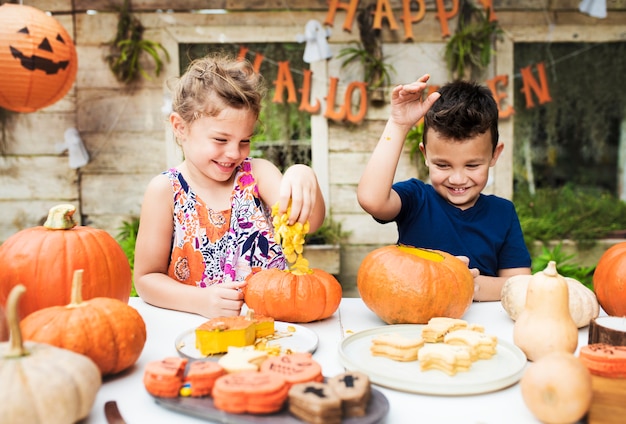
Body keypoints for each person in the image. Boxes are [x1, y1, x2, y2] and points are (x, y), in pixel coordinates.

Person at [134, 54, 325, 318]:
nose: (235, 153)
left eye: (244, 141)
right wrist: (200, 301)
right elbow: (146, 279)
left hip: (270, 328)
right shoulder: (165, 191)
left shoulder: (257, 174)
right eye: (221, 139)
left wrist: (304, 176)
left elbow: (310, 223)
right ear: (180, 127)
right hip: (194, 331)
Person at [357, 75, 531, 301]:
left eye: (472, 165)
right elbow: (371, 200)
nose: (458, 179)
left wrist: (471, 285)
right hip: (413, 320)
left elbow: (521, 284)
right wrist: (398, 125)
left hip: (479, 329)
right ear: (425, 155)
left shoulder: (503, 213)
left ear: (494, 155)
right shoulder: (416, 199)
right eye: (442, 165)